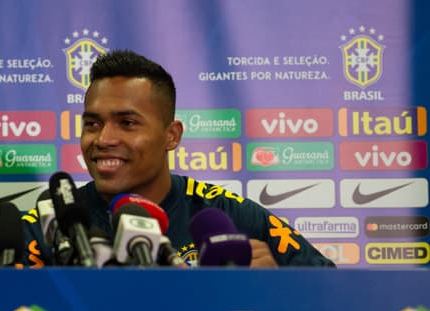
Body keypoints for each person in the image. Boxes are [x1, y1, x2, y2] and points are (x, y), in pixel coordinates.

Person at [23, 50, 334, 268]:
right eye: (92, 124)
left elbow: (331, 293)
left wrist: (275, 289)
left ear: (172, 135)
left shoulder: (228, 216)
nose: (103, 139)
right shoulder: (50, 224)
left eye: (127, 123)